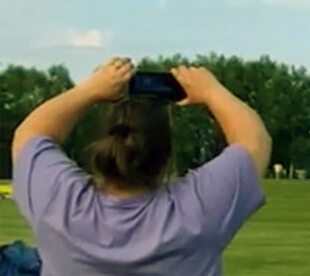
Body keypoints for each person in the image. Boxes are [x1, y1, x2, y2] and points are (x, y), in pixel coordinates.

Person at [11, 57, 272, 276]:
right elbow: (253, 141)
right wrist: (212, 92)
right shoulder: (199, 211)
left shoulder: (58, 203)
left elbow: (31, 134)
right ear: (166, 154)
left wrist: (89, 90)